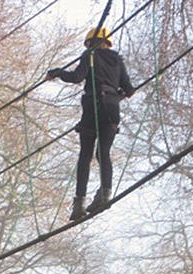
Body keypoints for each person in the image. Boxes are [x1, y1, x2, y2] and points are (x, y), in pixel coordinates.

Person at [46, 27, 135, 220]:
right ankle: (105, 193)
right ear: (107, 42)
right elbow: (129, 89)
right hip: (112, 108)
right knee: (103, 152)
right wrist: (117, 93)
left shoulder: (90, 55)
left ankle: (79, 203)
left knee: (85, 154)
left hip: (92, 106)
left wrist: (57, 72)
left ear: (90, 43)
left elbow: (76, 77)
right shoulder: (118, 60)